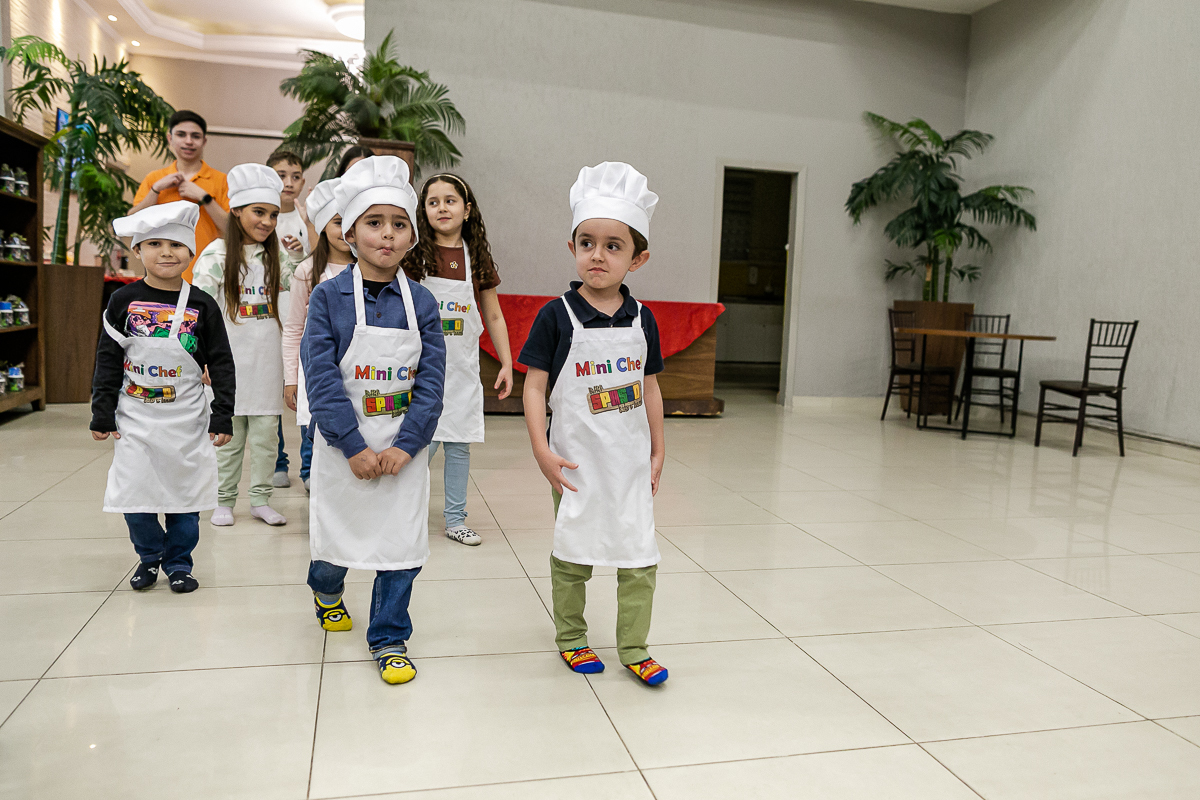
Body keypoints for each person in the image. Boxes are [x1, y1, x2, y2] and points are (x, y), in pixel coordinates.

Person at [519, 162, 669, 686]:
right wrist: (541, 450)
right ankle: (572, 638)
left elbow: (650, 387)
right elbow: (534, 388)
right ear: (572, 248)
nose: (598, 255)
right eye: (587, 243)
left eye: (613, 246)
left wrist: (658, 449)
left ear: (637, 258)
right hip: (574, 463)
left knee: (639, 555)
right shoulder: (555, 316)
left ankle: (635, 647)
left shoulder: (643, 318)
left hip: (629, 464)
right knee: (573, 553)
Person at [303, 155, 446, 685]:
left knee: (400, 547)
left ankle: (388, 638)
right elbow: (321, 377)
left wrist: (408, 444)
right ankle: (325, 588)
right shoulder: (328, 297)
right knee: (337, 541)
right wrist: (352, 445)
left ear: (412, 237)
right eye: (374, 222)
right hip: (345, 449)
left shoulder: (423, 302)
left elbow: (432, 381)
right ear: (350, 232)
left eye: (399, 224)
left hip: (404, 449)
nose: (387, 234)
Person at [90, 201, 236, 593]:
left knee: (185, 498)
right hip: (135, 419)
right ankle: (150, 555)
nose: (166, 252)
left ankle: (179, 563)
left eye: (176, 244)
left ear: (191, 251)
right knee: (134, 495)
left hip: (187, 420)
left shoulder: (203, 304)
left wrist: (223, 414)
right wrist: (102, 412)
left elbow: (222, 363)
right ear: (138, 250)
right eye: (155, 244)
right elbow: (108, 359)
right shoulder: (122, 301)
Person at [402, 174, 513, 546]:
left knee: (459, 443)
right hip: (421, 369)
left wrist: (506, 362)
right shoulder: (414, 256)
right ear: (423, 211)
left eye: (450, 201)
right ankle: (403, 512)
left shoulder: (476, 257)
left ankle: (455, 518)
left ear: (467, 210)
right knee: (420, 444)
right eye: (433, 202)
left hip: (462, 370)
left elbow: (493, 314)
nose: (442, 208)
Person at [193, 163, 295, 527]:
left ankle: (260, 500)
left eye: (273, 214)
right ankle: (223, 500)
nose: (267, 222)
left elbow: (300, 291)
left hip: (267, 362)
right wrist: (202, 359)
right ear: (236, 210)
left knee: (267, 438)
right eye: (258, 212)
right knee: (228, 437)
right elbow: (199, 313)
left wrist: (301, 254)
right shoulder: (216, 255)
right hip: (227, 364)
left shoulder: (277, 256)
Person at [282, 178, 353, 492]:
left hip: (356, 367)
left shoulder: (369, 271)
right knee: (314, 428)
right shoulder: (308, 272)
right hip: (316, 368)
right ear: (323, 226)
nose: (346, 230)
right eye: (338, 222)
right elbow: (294, 328)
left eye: (353, 221)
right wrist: (291, 378)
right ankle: (310, 474)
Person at [130, 110, 230, 281]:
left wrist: (204, 197)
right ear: (170, 138)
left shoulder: (222, 181)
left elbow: (232, 230)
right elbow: (131, 224)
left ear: (204, 141)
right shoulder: (154, 179)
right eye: (181, 135)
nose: (188, 141)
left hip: (209, 275)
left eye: (195, 136)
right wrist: (155, 190)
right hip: (160, 277)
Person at [266, 149, 311, 489]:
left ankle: (309, 465)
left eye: (295, 176)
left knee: (305, 388)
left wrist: (303, 246)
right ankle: (277, 461)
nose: (289, 182)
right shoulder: (262, 217)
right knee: (271, 391)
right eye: (281, 175)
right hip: (268, 317)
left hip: (300, 316)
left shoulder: (306, 217)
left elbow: (322, 259)